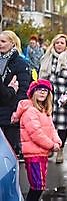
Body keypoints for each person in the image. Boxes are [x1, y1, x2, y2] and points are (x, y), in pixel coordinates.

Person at [11, 79, 62, 201]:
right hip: (33, 154)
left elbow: (51, 128)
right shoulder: (30, 111)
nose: (42, 93)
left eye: (45, 90)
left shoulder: (44, 110)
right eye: (39, 90)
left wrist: (57, 141)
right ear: (32, 92)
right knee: (37, 186)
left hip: (41, 153)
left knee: (39, 186)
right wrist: (51, 145)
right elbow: (36, 134)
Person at [39, 33, 67, 164]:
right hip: (48, 97)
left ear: (66, 45)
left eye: (62, 43)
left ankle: (60, 149)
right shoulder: (47, 58)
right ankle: (50, 147)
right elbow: (42, 78)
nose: (59, 45)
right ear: (53, 44)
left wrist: (66, 96)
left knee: (61, 126)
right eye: (57, 43)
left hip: (63, 99)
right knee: (47, 124)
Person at [0, 30, 31, 159]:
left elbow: (23, 90)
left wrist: (16, 111)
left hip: (10, 113)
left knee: (9, 155)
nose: (0, 44)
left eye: (3, 41)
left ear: (12, 43)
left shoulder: (20, 63)